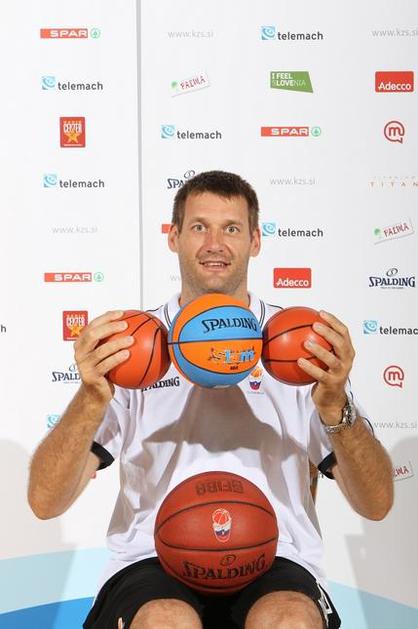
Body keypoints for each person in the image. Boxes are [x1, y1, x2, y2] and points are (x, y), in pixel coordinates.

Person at [28, 171, 393, 629]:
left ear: (255, 241)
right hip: (151, 557)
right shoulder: (134, 347)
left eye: (231, 228)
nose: (214, 244)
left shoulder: (297, 345)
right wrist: (89, 398)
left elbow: (376, 504)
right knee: (164, 620)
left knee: (291, 619)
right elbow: (45, 502)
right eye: (199, 227)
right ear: (174, 237)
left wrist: (336, 406)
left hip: (275, 554)